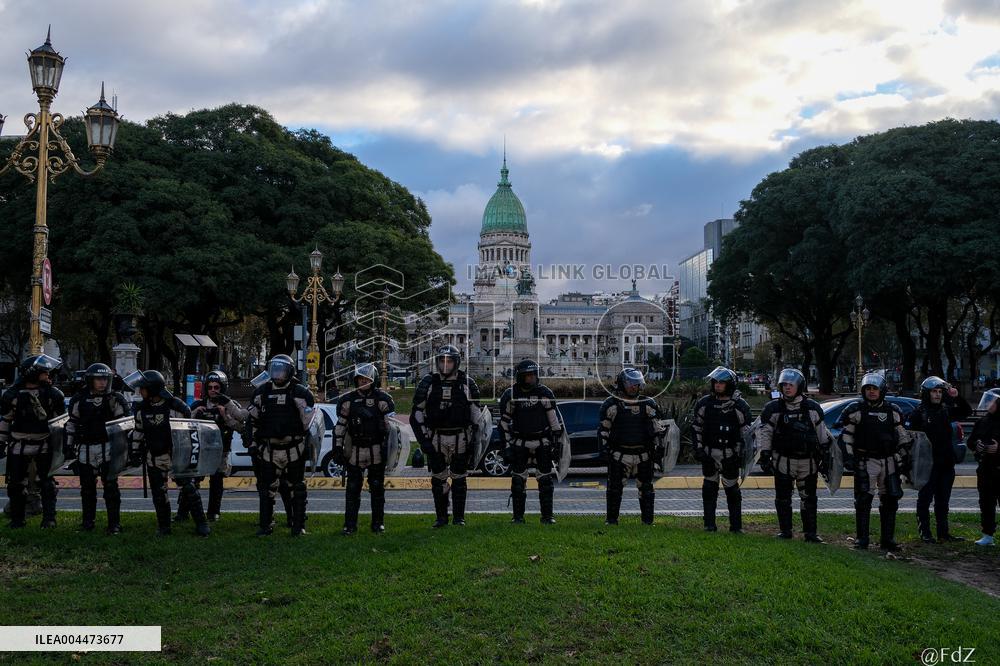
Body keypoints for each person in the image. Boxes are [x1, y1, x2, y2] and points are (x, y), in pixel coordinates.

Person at [836, 373, 912, 551]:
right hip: (865, 459)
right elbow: (846, 436)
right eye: (868, 389)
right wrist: (849, 458)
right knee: (863, 499)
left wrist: (903, 456)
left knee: (890, 499)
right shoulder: (856, 410)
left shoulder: (892, 411)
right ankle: (862, 539)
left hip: (888, 461)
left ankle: (888, 540)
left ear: (882, 390)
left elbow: (902, 436)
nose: (871, 392)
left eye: (874, 388)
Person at [409, 345, 482, 528]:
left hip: (461, 439)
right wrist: (424, 441)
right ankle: (441, 518)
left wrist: (474, 442)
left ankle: (459, 519)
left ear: (456, 362)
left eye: (449, 361)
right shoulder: (428, 383)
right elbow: (416, 414)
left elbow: (477, 417)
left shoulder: (467, 383)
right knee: (438, 480)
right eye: (442, 360)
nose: (445, 364)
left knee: (459, 480)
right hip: (436, 439)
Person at [757, 368, 831, 542]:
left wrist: (826, 454)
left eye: (791, 385)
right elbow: (766, 432)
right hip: (783, 460)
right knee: (783, 498)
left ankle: (810, 534)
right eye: (784, 385)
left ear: (800, 386)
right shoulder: (773, 408)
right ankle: (785, 531)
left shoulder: (812, 408)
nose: (787, 388)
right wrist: (765, 454)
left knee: (809, 499)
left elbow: (822, 433)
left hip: (808, 461)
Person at [247, 354, 316, 536]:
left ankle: (298, 525)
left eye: (281, 370)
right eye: (275, 369)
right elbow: (252, 421)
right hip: (269, 450)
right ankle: (265, 525)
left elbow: (309, 422)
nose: (277, 374)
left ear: (290, 371)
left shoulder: (300, 392)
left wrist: (309, 446)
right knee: (266, 489)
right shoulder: (261, 392)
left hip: (294, 448)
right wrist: (252, 444)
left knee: (297, 488)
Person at [132, 370, 207, 536]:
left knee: (189, 489)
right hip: (154, 457)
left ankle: (202, 524)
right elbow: (138, 432)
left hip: (176, 455)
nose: (140, 391)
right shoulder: (141, 409)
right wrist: (135, 451)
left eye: (143, 388)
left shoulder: (175, 407)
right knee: (159, 494)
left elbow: (189, 430)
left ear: (152, 389)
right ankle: (164, 527)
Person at [65, 363, 131, 533]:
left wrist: (124, 450)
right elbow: (71, 424)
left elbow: (124, 426)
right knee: (87, 489)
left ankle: (114, 524)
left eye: (105, 379)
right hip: (85, 449)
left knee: (111, 487)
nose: (102, 382)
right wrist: (68, 447)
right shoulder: (79, 399)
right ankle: (88, 523)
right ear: (90, 380)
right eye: (98, 379)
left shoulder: (116, 399)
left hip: (107, 448)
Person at [0, 355, 65, 528]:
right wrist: (1, 443)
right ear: (33, 373)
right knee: (15, 485)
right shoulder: (12, 395)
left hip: (44, 444)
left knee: (47, 484)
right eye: (44, 372)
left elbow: (60, 423)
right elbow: (6, 421)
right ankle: (17, 520)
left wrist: (64, 446)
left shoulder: (53, 395)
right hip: (18, 445)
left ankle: (49, 519)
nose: (48, 376)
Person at [905, 376, 971, 542]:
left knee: (943, 501)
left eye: (940, 392)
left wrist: (956, 396)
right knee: (925, 499)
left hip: (946, 464)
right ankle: (925, 532)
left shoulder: (945, 410)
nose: (937, 395)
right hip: (927, 465)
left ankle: (944, 533)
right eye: (934, 391)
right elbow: (911, 441)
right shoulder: (918, 414)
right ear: (927, 393)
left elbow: (966, 412)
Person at [333, 363, 396, 534]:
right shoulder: (347, 400)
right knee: (353, 488)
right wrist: (337, 448)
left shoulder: (383, 399)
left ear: (373, 380)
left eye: (367, 379)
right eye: (360, 379)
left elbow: (393, 428)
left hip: (376, 449)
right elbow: (340, 427)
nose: (363, 382)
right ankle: (350, 525)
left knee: (377, 487)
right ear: (356, 380)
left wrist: (389, 448)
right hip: (355, 450)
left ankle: (378, 524)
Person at [497, 360, 563, 524]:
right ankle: (518, 517)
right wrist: (506, 448)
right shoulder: (511, 395)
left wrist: (557, 444)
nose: (532, 379)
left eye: (534, 375)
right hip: (520, 442)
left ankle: (547, 517)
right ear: (520, 377)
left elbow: (555, 422)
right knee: (518, 481)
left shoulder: (544, 393)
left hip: (543, 442)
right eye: (528, 376)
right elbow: (504, 423)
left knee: (546, 482)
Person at [598, 368, 665, 525]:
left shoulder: (648, 404)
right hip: (619, 455)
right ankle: (612, 520)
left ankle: (647, 522)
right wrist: (604, 450)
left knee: (647, 490)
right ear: (622, 384)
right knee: (614, 489)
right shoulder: (611, 404)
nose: (633, 387)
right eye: (630, 384)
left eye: (636, 384)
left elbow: (658, 430)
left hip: (644, 455)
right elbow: (603, 430)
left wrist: (660, 450)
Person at [691, 366, 752, 532]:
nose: (717, 385)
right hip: (710, 454)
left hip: (730, 455)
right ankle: (709, 525)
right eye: (715, 382)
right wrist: (699, 450)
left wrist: (739, 455)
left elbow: (746, 434)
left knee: (732, 491)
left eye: (722, 382)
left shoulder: (739, 405)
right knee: (709, 489)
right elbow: (696, 428)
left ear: (729, 384)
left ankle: (736, 527)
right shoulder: (704, 403)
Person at [184, 371, 247, 522]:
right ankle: (183, 512)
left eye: (216, 387)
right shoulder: (198, 404)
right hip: (200, 450)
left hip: (221, 450)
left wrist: (225, 416)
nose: (213, 390)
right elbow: (184, 427)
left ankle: (213, 512)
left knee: (217, 481)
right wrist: (194, 414)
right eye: (210, 387)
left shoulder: (231, 405)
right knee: (191, 481)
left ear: (222, 388)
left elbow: (241, 427)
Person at [969, 388, 1000, 546]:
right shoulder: (983, 421)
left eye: (992, 401)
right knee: (986, 503)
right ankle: (988, 535)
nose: (988, 404)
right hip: (986, 469)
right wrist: (977, 445)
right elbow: (971, 441)